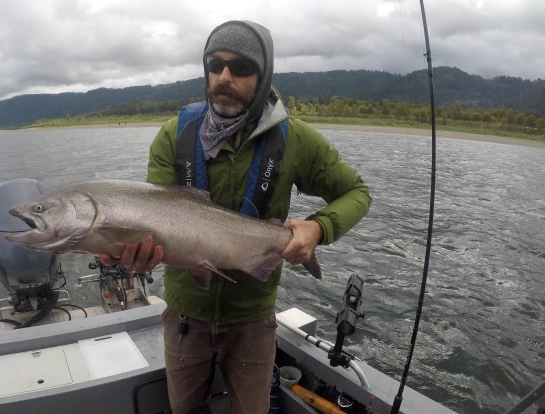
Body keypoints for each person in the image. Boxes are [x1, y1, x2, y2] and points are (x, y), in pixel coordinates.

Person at [102, 20, 371, 414]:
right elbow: (153, 216)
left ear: (263, 76)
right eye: (215, 64)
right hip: (185, 319)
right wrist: (131, 251)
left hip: (252, 323)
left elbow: (357, 193)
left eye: (241, 67)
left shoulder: (295, 139)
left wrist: (318, 227)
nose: (224, 77)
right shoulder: (173, 136)